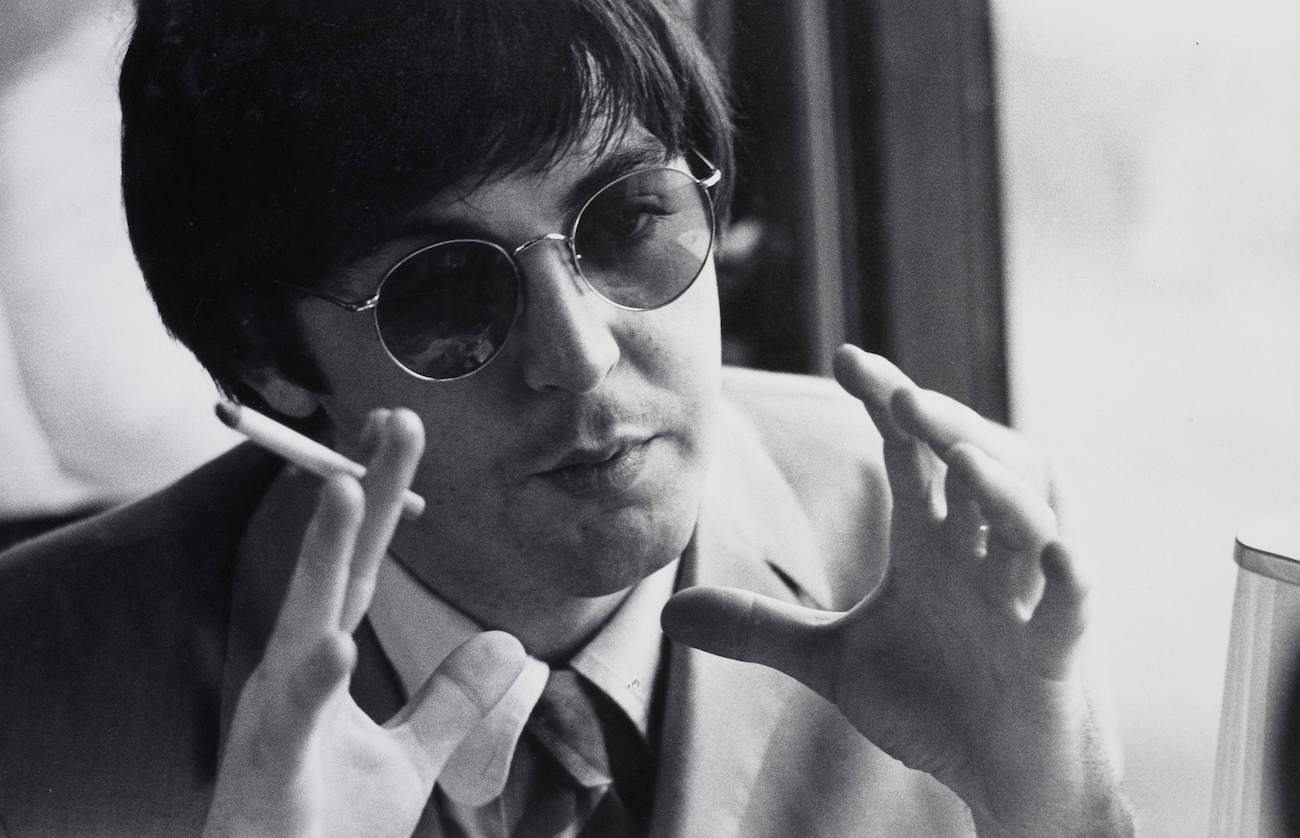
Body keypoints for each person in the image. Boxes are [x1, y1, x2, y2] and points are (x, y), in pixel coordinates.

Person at [0, 1, 1134, 836]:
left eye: (630, 219)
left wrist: (1049, 807)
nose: (581, 355)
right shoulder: (34, 691)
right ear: (270, 360)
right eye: (447, 294)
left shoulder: (943, 538)